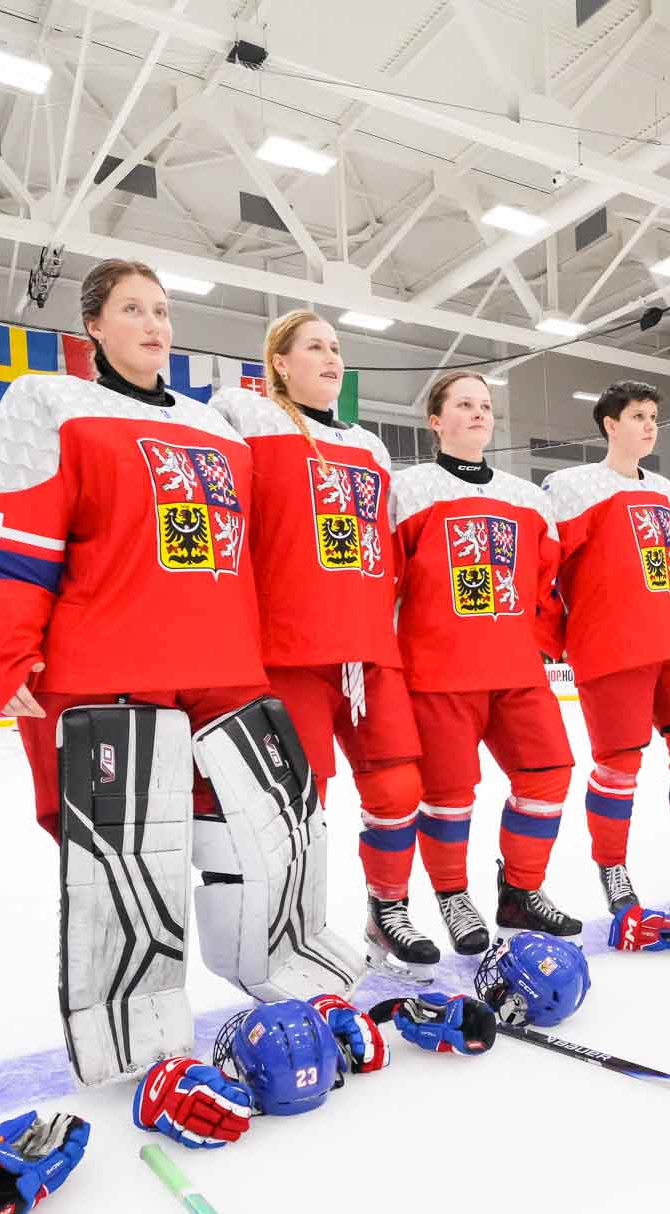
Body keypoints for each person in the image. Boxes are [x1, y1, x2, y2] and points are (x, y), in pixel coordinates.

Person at [0, 259, 356, 1086]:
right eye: (133, 309)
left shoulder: (218, 428)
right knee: (131, 860)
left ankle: (286, 967)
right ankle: (137, 1026)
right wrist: (1, 648)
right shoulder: (52, 404)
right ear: (93, 325)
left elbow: (276, 542)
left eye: (162, 310)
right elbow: (3, 528)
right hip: (109, 667)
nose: (154, 324)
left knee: (271, 831)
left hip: (225, 665)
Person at [211, 310, 432, 978]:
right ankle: (293, 932)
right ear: (279, 362)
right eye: (314, 347)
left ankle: (387, 913)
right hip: (289, 649)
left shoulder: (370, 445)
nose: (332, 358)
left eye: (336, 347)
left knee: (398, 787)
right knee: (299, 807)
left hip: (367, 649)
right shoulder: (247, 417)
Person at [390, 372, 580, 957]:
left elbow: (545, 583)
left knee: (549, 771)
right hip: (438, 672)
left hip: (516, 670)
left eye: (486, 406)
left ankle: (521, 890)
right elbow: (386, 578)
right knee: (449, 793)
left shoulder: (528, 497)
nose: (479, 413)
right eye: (464, 405)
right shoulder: (409, 488)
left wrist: (540, 643)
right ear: (435, 422)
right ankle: (452, 894)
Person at [541, 382, 670, 914]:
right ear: (610, 425)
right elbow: (541, 568)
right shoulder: (570, 487)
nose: (650, 426)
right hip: (612, 645)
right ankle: (613, 867)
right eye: (639, 416)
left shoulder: (666, 490)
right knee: (619, 766)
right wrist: (553, 638)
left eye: (654, 417)